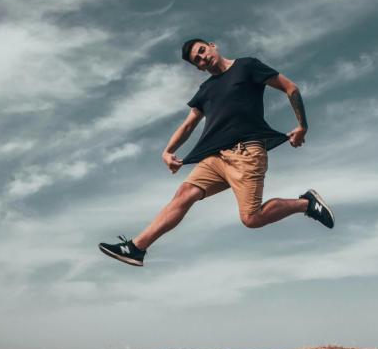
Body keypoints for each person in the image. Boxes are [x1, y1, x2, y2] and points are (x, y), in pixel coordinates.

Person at [99, 38, 334, 267]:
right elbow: (189, 124)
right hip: (216, 157)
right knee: (184, 193)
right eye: (197, 61)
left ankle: (306, 203)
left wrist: (302, 126)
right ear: (199, 68)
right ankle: (137, 248)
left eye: (202, 51)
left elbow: (289, 87)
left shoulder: (246, 66)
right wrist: (168, 151)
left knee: (251, 219)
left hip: (246, 153)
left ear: (213, 46)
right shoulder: (206, 89)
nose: (202, 59)